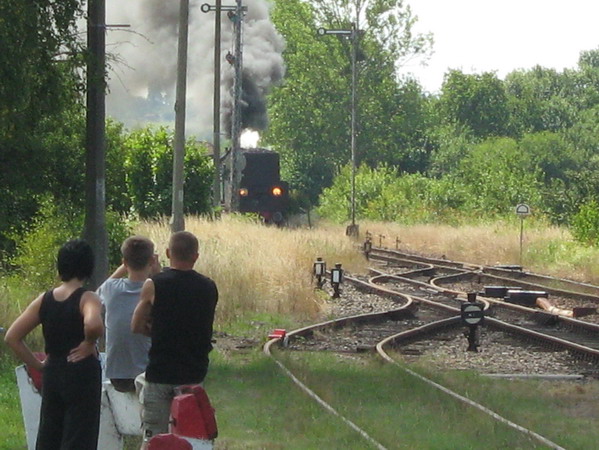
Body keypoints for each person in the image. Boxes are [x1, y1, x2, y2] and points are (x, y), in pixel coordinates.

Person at [4, 239, 104, 449]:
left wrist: (38, 365)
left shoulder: (45, 299)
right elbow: (94, 324)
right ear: (88, 267)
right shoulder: (88, 298)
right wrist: (88, 342)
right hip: (82, 375)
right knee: (79, 437)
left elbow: (12, 336)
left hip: (53, 371)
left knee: (50, 434)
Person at [132, 231, 218, 447]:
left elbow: (136, 325)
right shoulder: (209, 287)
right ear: (195, 257)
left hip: (160, 372)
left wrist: (159, 332)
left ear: (169, 253)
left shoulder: (154, 284)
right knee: (190, 437)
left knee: (153, 439)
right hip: (193, 374)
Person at [97, 235, 160, 393]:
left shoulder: (110, 288)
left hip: (117, 376)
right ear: (152, 261)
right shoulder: (157, 290)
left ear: (124, 262)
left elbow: (98, 292)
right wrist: (158, 272)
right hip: (147, 375)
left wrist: (125, 264)